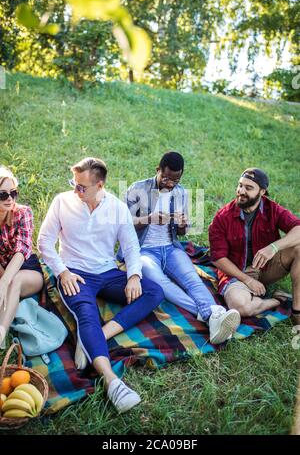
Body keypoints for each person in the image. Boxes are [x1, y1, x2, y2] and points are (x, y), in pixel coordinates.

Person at [38, 157, 164, 414]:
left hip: (107, 272)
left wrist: (134, 276)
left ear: (100, 185)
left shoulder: (117, 208)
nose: (76, 190)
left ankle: (95, 338)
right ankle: (112, 381)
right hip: (75, 274)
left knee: (154, 291)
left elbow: (130, 246)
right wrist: (62, 272)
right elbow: (44, 242)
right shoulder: (63, 202)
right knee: (87, 315)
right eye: (74, 184)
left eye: (82, 186)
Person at [125, 152, 240, 345]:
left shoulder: (181, 193)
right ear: (158, 170)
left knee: (192, 280)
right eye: (166, 178)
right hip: (144, 251)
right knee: (161, 283)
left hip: (170, 247)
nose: (170, 184)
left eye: (176, 180)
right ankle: (211, 315)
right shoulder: (138, 189)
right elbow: (124, 225)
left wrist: (182, 225)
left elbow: (181, 233)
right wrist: (149, 219)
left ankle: (213, 317)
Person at [209, 167, 300, 324]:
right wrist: (248, 280)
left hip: (267, 267)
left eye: (248, 188)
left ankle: (297, 311)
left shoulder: (272, 209)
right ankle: (279, 300)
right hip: (237, 273)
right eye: (240, 185)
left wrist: (273, 248)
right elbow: (218, 258)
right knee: (241, 308)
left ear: (262, 191)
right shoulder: (222, 217)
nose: (241, 191)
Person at [0, 166, 43, 349]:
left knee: (13, 281)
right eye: (3, 194)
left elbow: (22, 249)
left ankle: (1, 333)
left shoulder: (23, 212)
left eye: (13, 193)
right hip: (2, 269)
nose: (9, 198)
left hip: (27, 268)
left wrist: (3, 282)